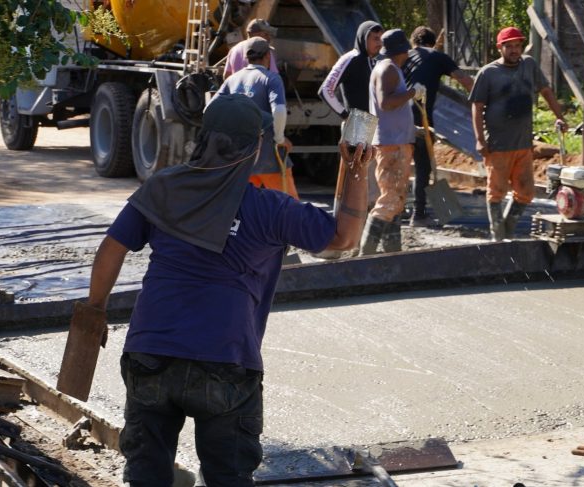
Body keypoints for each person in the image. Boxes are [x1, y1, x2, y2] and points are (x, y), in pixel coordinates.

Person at [72, 94, 371, 486]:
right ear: (254, 148)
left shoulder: (163, 188)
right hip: (225, 359)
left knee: (147, 475)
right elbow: (344, 238)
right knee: (228, 477)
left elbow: (112, 247)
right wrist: (355, 169)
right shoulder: (270, 209)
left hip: (150, 352)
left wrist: (95, 310)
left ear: (204, 138)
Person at [469, 26, 566, 241]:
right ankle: (498, 238)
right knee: (496, 192)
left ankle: (506, 231)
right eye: (509, 46)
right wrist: (479, 140)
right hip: (498, 145)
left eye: (517, 45)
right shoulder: (488, 73)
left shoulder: (529, 65)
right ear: (500, 48)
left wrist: (559, 116)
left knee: (526, 193)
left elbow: (545, 90)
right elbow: (476, 106)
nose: (514, 50)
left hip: (523, 143)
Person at [360, 29, 425, 255]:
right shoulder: (387, 69)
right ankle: (366, 252)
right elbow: (386, 103)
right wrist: (412, 92)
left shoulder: (388, 68)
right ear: (401, 50)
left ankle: (392, 251)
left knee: (396, 199)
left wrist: (412, 129)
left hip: (395, 140)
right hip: (392, 144)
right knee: (390, 200)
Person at [402, 26, 474, 227]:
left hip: (397, 118)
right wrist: (482, 103)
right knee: (423, 167)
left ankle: (393, 213)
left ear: (413, 42)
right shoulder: (437, 56)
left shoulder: (403, 56)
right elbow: (465, 80)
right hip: (422, 118)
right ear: (433, 43)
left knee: (398, 167)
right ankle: (418, 214)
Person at [213, 37, 297, 199]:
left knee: (244, 205)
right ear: (267, 56)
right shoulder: (271, 78)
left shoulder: (232, 80)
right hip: (269, 157)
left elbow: (210, 109)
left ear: (246, 57)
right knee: (288, 206)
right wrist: (279, 138)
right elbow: (279, 110)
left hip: (241, 158)